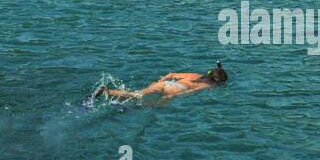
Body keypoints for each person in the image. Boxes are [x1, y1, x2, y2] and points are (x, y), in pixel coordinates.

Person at [91, 62, 228, 103]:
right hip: (175, 89)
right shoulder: (206, 86)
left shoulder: (195, 75)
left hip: (165, 84)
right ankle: (107, 92)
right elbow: (188, 91)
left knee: (137, 95)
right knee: (145, 102)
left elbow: (171, 74)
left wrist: (158, 81)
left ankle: (110, 94)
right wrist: (168, 98)